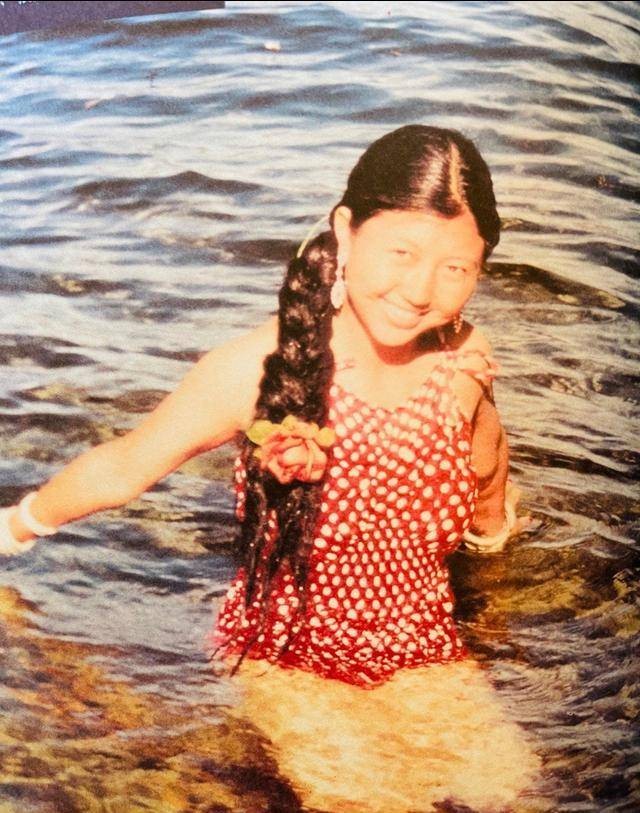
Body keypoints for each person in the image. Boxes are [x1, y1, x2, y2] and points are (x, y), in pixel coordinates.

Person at [1, 125, 537, 811]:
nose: (420, 289)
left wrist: (496, 567)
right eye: (401, 253)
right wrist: (14, 528)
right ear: (345, 233)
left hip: (422, 647)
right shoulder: (260, 369)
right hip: (292, 656)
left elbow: (487, 468)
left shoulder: (460, 366)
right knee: (373, 803)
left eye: (456, 268)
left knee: (515, 792)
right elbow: (126, 466)